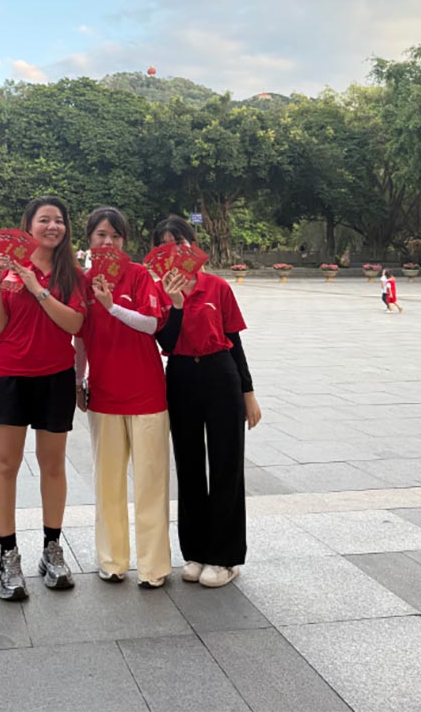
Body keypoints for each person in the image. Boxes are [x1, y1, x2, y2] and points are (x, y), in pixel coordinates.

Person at [0, 196, 85, 601]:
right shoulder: (6, 270)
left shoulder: (71, 274)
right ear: (28, 226)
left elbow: (74, 323)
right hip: (9, 375)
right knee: (6, 464)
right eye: (44, 220)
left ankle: (52, 549)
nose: (52, 226)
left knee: (53, 465)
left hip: (55, 377)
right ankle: (8, 555)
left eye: (59, 220)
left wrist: (38, 289)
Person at [154, 215, 262, 589]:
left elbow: (235, 342)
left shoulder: (217, 286)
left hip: (220, 374)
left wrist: (248, 393)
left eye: (180, 242)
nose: (175, 250)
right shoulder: (159, 291)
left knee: (226, 463)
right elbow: (166, 343)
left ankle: (225, 557)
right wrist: (175, 304)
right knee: (189, 466)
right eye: (165, 245)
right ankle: (196, 552)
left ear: (192, 245)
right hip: (181, 376)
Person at [75, 206, 172, 589]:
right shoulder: (82, 282)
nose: (108, 242)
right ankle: (112, 560)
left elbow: (151, 324)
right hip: (104, 394)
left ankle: (153, 567)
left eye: (115, 236)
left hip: (147, 393)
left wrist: (112, 306)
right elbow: (80, 338)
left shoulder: (139, 275)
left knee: (151, 483)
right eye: (101, 235)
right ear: (89, 240)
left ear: (124, 241)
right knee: (108, 483)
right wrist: (78, 380)